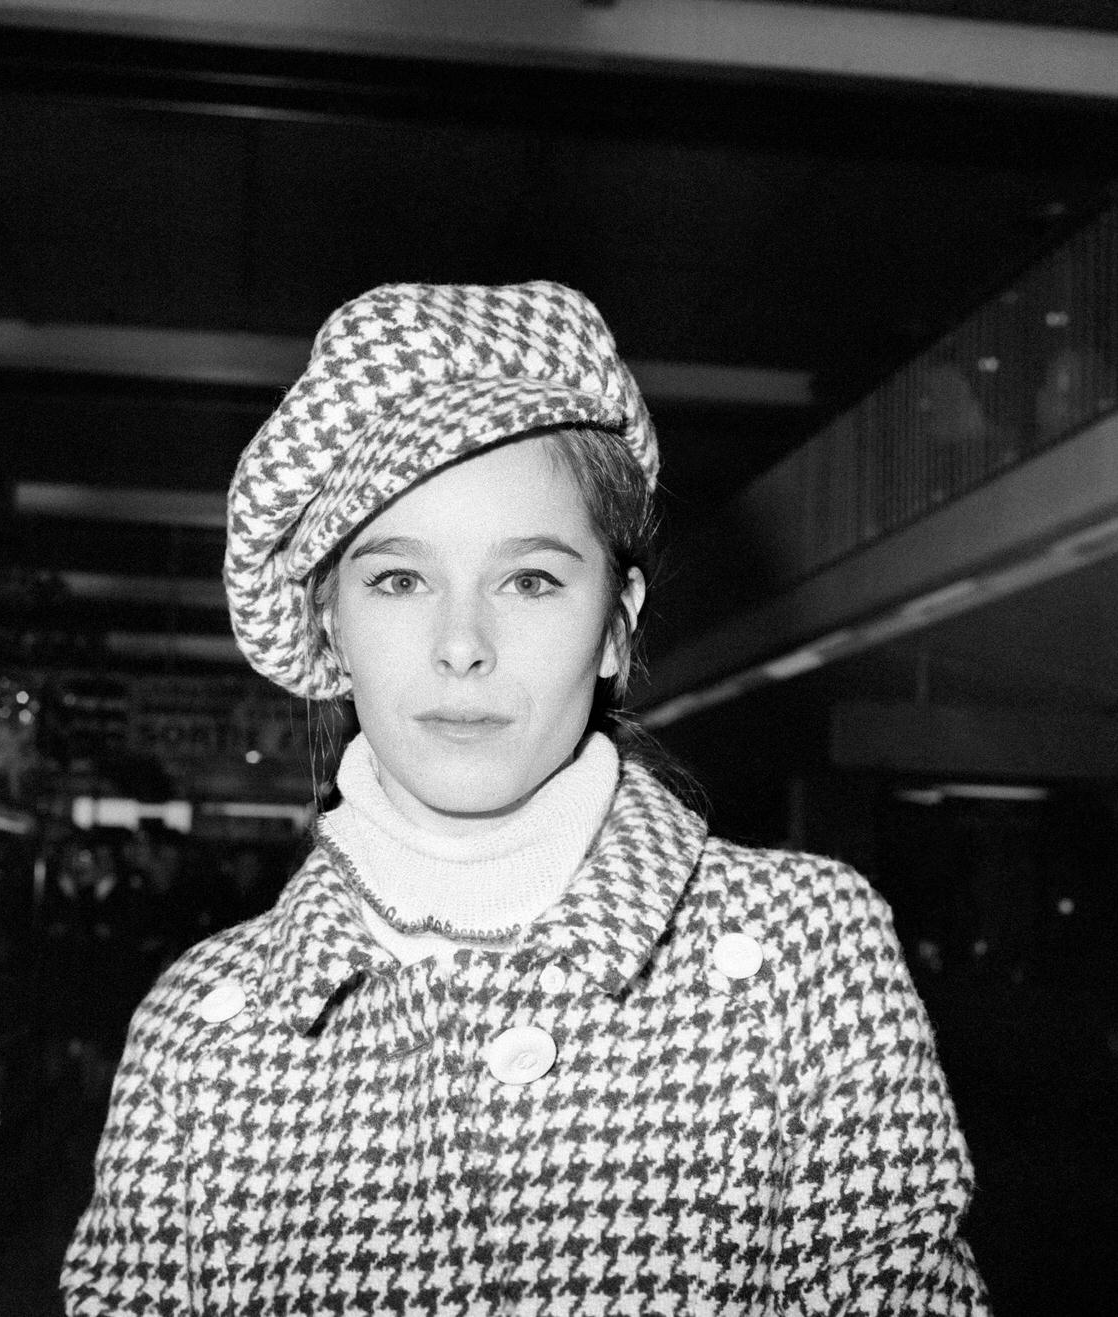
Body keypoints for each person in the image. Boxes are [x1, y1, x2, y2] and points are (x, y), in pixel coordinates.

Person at [62, 282, 988, 1315]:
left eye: (532, 581)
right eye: (398, 581)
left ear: (613, 625)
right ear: (327, 625)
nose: (462, 645)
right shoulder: (203, 1026)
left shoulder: (803, 953)